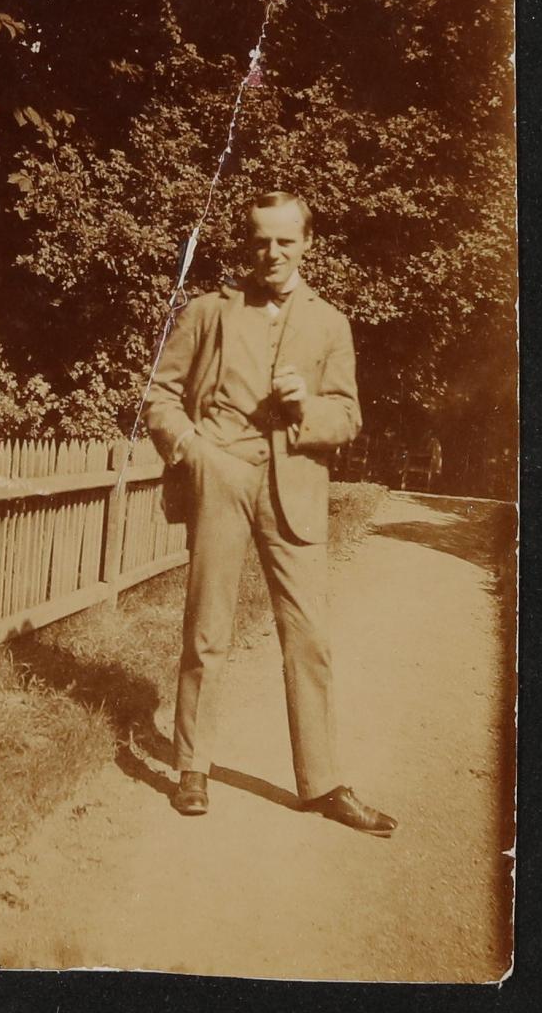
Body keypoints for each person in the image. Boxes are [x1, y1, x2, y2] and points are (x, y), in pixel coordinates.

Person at [143, 191, 397, 836]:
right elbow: (161, 396)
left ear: (307, 243)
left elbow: (348, 417)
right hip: (221, 475)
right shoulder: (208, 311)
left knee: (309, 637)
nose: (273, 253)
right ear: (247, 245)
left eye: (286, 241)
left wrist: (307, 406)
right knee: (208, 628)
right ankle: (192, 766)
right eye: (261, 241)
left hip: (296, 489)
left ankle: (322, 783)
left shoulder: (330, 324)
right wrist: (193, 450)